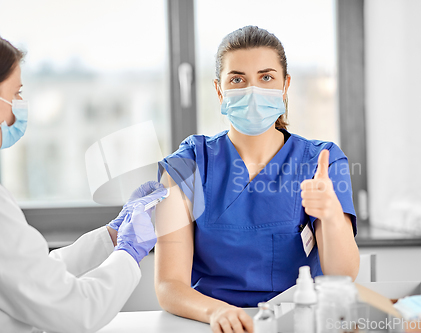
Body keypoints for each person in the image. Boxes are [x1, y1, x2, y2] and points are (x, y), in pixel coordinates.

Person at [0, 24, 166, 333]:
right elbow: (77, 310)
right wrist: (129, 251)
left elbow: (32, 276)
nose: (20, 105)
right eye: (15, 93)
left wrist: (112, 235)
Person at [154, 26, 360, 333]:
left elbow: (342, 276)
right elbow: (169, 284)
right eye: (237, 79)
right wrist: (218, 312)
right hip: (214, 323)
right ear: (219, 90)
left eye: (266, 77)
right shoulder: (189, 163)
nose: (252, 90)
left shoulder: (322, 162)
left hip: (299, 321)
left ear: (285, 85)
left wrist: (330, 215)